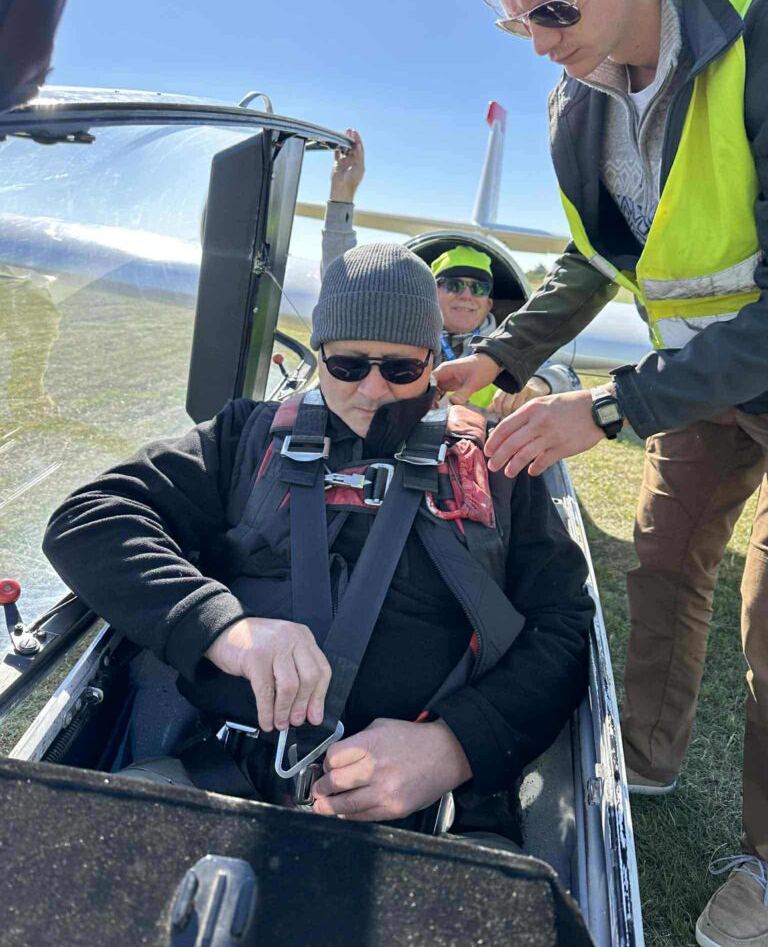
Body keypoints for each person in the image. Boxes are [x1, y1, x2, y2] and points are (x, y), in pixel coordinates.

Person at [435, 0, 768, 942]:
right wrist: (500, 358)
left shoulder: (759, 23)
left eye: (553, 7)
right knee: (663, 561)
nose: (540, 41)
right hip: (702, 386)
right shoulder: (572, 101)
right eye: (516, 23)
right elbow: (593, 261)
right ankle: (649, 758)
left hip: (692, 378)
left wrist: (608, 408)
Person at [42, 242, 593, 832]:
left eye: (401, 369)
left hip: (427, 813)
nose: (372, 390)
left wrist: (455, 746)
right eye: (348, 366)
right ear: (320, 354)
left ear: (434, 361)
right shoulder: (247, 436)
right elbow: (90, 518)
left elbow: (563, 623)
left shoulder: (494, 462)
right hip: (214, 771)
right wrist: (225, 629)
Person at [322, 129, 577, 415]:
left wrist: (540, 384)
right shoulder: (399, 337)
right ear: (432, 295)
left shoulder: (506, 348)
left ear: (489, 304)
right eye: (454, 284)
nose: (467, 295)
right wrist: (341, 195)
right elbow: (341, 287)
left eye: (479, 288)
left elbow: (567, 375)